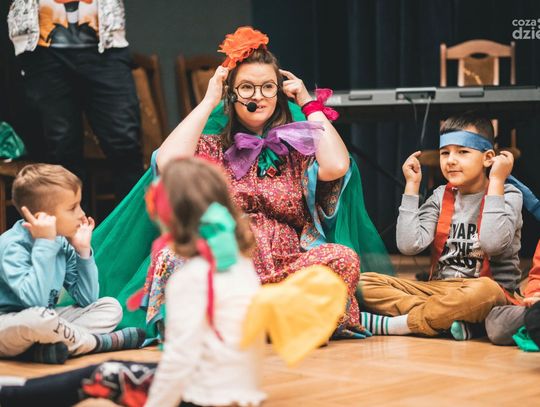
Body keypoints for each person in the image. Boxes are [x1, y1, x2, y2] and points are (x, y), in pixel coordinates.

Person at [0, 157, 349, 407]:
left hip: (203, 395)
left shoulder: (189, 277)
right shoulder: (238, 265)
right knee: (115, 361)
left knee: (102, 374)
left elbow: (179, 359)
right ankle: (71, 353)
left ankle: (13, 392)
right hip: (240, 391)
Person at [142, 26, 372, 339]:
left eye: (267, 87)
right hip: (229, 266)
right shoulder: (212, 147)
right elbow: (167, 162)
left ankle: (252, 321)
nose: (258, 96)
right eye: (247, 87)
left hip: (287, 266)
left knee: (343, 258)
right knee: (173, 256)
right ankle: (272, 322)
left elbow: (337, 165)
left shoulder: (296, 148)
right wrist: (209, 100)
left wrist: (307, 102)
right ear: (232, 94)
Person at [360, 112, 523, 340]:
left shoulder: (509, 194)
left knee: (485, 291)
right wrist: (411, 186)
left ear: (488, 158)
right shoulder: (440, 195)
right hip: (439, 291)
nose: (451, 160)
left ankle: (402, 324)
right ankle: (449, 320)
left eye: (463, 152)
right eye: (445, 152)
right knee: (362, 283)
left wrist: (496, 180)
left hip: (486, 292)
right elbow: (409, 245)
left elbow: (492, 244)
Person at [0, 164, 145, 364]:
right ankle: (97, 343)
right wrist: (45, 244)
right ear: (43, 216)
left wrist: (83, 251)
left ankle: (43, 350)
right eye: (72, 208)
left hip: (48, 322)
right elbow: (36, 303)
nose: (81, 214)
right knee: (38, 319)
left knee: (110, 307)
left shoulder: (62, 242)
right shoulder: (12, 247)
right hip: (11, 324)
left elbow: (88, 299)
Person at [7, 0, 143, 201]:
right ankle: (71, 220)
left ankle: (133, 220)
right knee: (61, 148)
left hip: (106, 43)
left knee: (125, 142)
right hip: (41, 47)